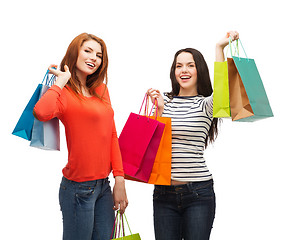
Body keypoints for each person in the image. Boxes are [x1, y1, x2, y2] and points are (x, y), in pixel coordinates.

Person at [33, 33, 128, 240]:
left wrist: (119, 179)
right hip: (77, 188)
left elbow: (111, 135)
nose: (94, 58)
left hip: (104, 186)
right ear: (74, 53)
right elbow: (41, 112)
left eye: (99, 55)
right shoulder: (63, 93)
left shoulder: (101, 90)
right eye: (87, 51)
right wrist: (60, 81)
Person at [147, 31, 239, 240]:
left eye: (190, 65)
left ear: (199, 70)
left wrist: (219, 48)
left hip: (198, 192)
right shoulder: (165, 101)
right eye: (179, 65)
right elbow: (153, 148)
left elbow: (223, 88)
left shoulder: (205, 104)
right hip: (163, 193)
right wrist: (159, 111)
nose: (184, 70)